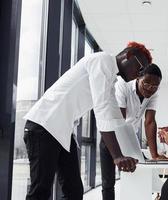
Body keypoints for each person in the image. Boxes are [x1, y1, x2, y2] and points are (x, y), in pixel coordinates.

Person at [23, 41, 152, 200]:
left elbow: (116, 119)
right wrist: (117, 156)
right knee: (40, 192)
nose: (138, 75)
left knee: (74, 192)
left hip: (62, 132)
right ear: (129, 56)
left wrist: (131, 154)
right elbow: (102, 110)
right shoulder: (102, 61)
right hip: (44, 126)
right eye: (140, 69)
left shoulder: (111, 80)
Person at [100, 63, 165, 200]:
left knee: (137, 175)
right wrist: (118, 155)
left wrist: (155, 155)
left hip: (130, 137)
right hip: (111, 136)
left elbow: (150, 121)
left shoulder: (154, 93)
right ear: (138, 78)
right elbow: (119, 121)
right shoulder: (123, 85)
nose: (150, 89)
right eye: (146, 84)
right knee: (108, 181)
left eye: (154, 87)